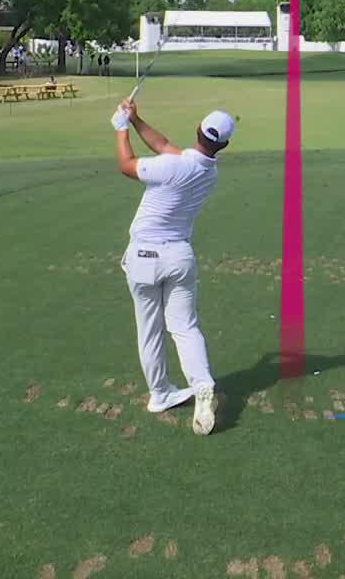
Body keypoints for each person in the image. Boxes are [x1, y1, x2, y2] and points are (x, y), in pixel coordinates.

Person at [112, 98, 232, 436]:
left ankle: (161, 393)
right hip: (179, 257)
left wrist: (121, 129)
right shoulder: (207, 172)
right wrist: (136, 119)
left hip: (143, 257)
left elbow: (127, 165)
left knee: (149, 330)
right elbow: (164, 145)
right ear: (223, 145)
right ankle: (202, 384)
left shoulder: (172, 166)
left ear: (197, 129)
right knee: (184, 327)